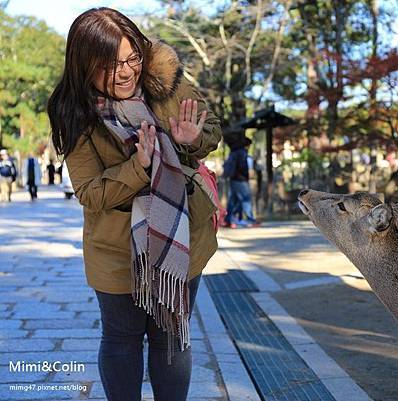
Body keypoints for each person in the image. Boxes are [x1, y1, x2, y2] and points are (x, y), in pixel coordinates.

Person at [46, 8, 222, 401]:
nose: (126, 73)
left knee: (171, 335)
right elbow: (90, 193)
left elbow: (211, 131)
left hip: (180, 234)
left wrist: (191, 139)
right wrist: (138, 167)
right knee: (122, 337)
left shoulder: (165, 80)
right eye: (110, 65)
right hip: (116, 248)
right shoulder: (73, 112)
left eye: (132, 59)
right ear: (84, 65)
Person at [223, 137, 259, 227]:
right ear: (247, 145)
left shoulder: (234, 152)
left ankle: (228, 220)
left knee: (233, 200)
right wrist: (246, 175)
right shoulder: (242, 153)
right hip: (240, 179)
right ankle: (250, 219)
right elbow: (243, 167)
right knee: (246, 198)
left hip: (233, 178)